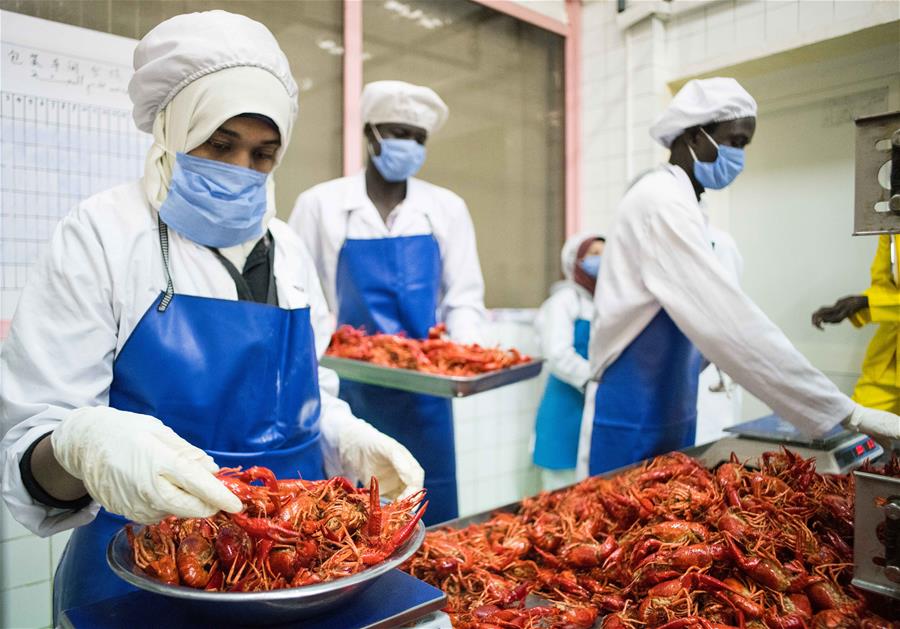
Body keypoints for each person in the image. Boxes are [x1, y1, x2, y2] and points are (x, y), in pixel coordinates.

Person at [0, 11, 423, 617]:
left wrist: (343, 437)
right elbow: (30, 450)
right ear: (173, 128)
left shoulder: (290, 251)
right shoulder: (103, 234)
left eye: (263, 153)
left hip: (295, 566)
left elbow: (305, 394)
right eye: (220, 145)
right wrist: (80, 444)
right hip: (145, 568)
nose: (241, 170)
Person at [584, 77, 900, 476]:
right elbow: (727, 320)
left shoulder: (686, 204)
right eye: (734, 142)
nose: (739, 157)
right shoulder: (658, 202)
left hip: (671, 401)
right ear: (696, 137)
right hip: (632, 406)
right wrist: (844, 411)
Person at [289, 80, 486, 524]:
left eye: (418, 138)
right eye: (397, 133)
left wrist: (466, 359)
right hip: (348, 392)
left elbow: (465, 298)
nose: (408, 146)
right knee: (353, 518)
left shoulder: (446, 208)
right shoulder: (321, 205)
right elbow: (301, 304)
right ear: (370, 134)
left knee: (428, 512)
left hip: (427, 396)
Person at [533, 232, 604, 491]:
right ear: (575, 260)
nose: (602, 260)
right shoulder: (563, 301)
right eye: (594, 254)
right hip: (565, 406)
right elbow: (557, 354)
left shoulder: (607, 303)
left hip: (597, 405)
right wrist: (596, 381)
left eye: (606, 254)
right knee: (561, 490)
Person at [813, 234, 900, 415]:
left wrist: (867, 303)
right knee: (858, 428)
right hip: (889, 358)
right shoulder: (889, 220)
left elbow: (873, 300)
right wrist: (852, 306)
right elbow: (881, 284)